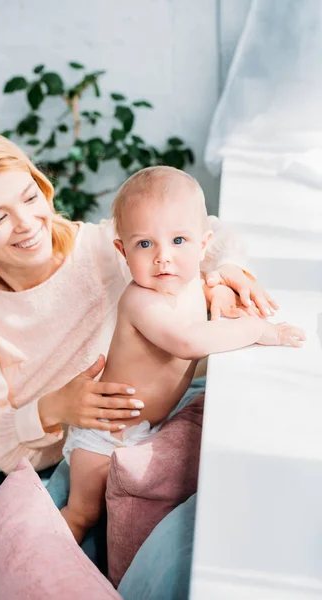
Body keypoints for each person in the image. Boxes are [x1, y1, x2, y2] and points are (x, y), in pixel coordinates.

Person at [0, 131, 277, 565]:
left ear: (43, 188)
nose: (28, 224)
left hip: (84, 445)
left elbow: (210, 230)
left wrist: (225, 272)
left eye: (30, 198)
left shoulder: (102, 249)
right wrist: (53, 408)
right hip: (19, 438)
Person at [60, 166, 305, 543]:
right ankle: (44, 565)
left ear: (203, 245)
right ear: (122, 251)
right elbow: (188, 341)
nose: (163, 258)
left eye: (178, 240)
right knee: (83, 514)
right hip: (105, 434)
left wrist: (220, 288)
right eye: (145, 244)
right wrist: (261, 330)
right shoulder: (141, 300)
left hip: (147, 424)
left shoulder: (189, 282)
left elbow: (206, 295)